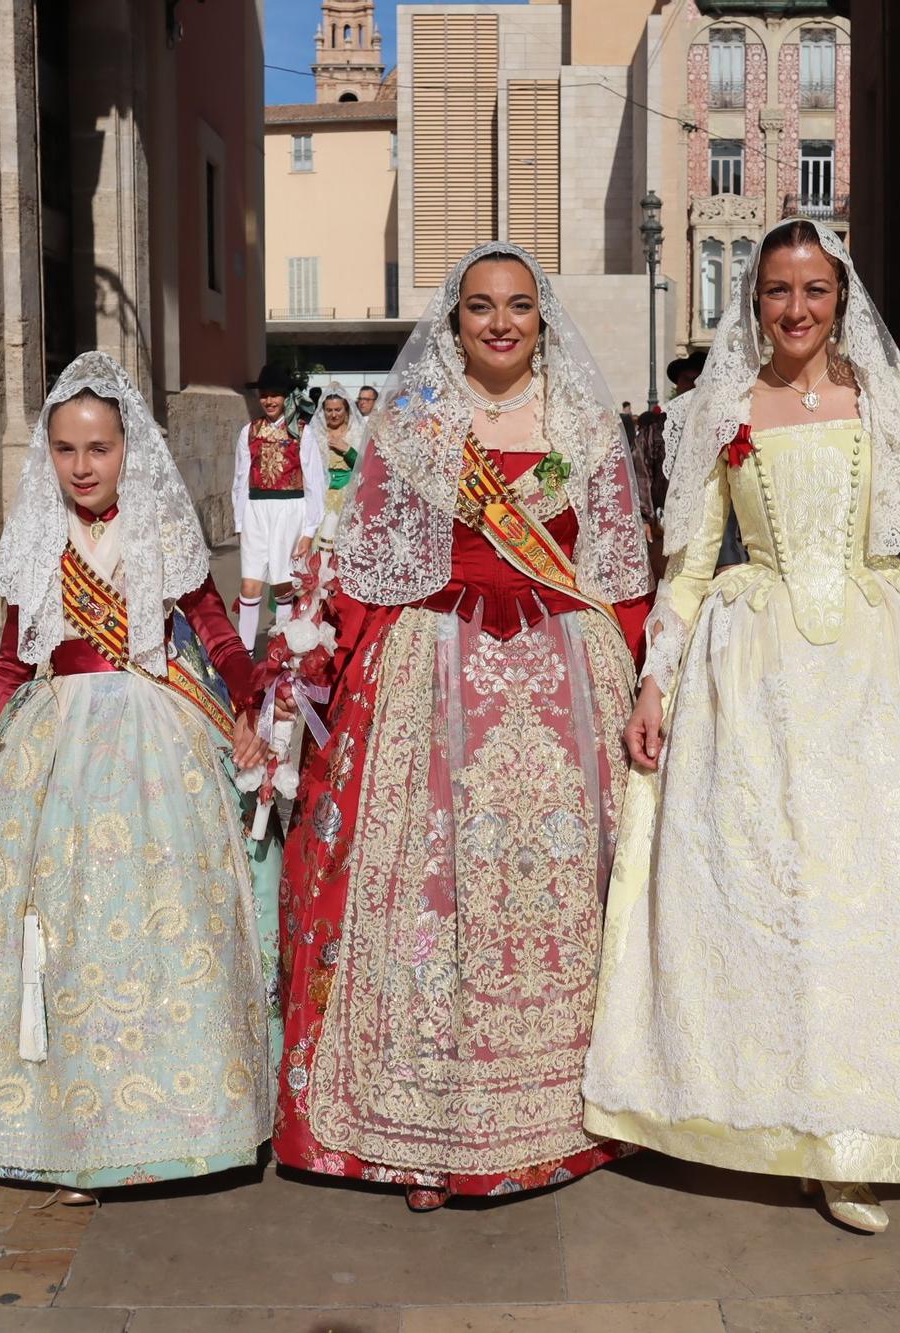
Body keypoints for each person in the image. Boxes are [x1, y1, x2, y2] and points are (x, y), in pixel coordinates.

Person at [583, 219, 900, 1234]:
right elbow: (685, 564)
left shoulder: (879, 397)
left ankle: (871, 1122)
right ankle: (798, 1121)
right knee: (778, 892)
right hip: (760, 669)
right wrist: (654, 682)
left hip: (881, 666)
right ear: (753, 299)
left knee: (882, 889)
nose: (794, 308)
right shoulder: (718, 409)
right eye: (776, 289)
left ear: (839, 296)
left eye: (812, 288)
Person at [274, 242, 655, 1212]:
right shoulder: (416, 420)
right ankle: (430, 1135)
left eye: (517, 305)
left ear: (541, 317)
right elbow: (370, 560)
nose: (498, 322)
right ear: (452, 323)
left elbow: (618, 570)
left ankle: (568, 1109)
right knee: (434, 896)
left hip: (566, 680)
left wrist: (656, 682)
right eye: (479, 306)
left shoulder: (581, 420)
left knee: (559, 896)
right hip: (432, 673)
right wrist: (319, 661)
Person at [0, 352, 275, 1202]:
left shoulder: (161, 530)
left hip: (154, 739)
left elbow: (213, 634)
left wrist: (252, 697)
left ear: (128, 449)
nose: (82, 465)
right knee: (56, 927)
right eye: (65, 449)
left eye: (98, 448)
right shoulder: (36, 538)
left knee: (155, 925)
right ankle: (71, 1124)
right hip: (54, 743)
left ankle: (182, 1118)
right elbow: (7, 667)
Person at [233, 364, 326, 649]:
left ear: (286, 397)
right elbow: (240, 478)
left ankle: (282, 648)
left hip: (290, 510)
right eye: (264, 395)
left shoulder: (302, 432)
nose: (269, 401)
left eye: (275, 395)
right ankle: (244, 652)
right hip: (256, 511)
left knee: (283, 584)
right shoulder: (248, 431)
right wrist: (240, 523)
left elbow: (314, 483)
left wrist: (309, 531)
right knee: (249, 584)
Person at [306, 387, 360, 513]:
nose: (334, 415)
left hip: (349, 494)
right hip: (320, 494)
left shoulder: (356, 432)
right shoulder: (315, 433)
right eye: (329, 410)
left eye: (338, 410)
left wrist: (348, 450)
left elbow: (366, 466)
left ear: (346, 410)